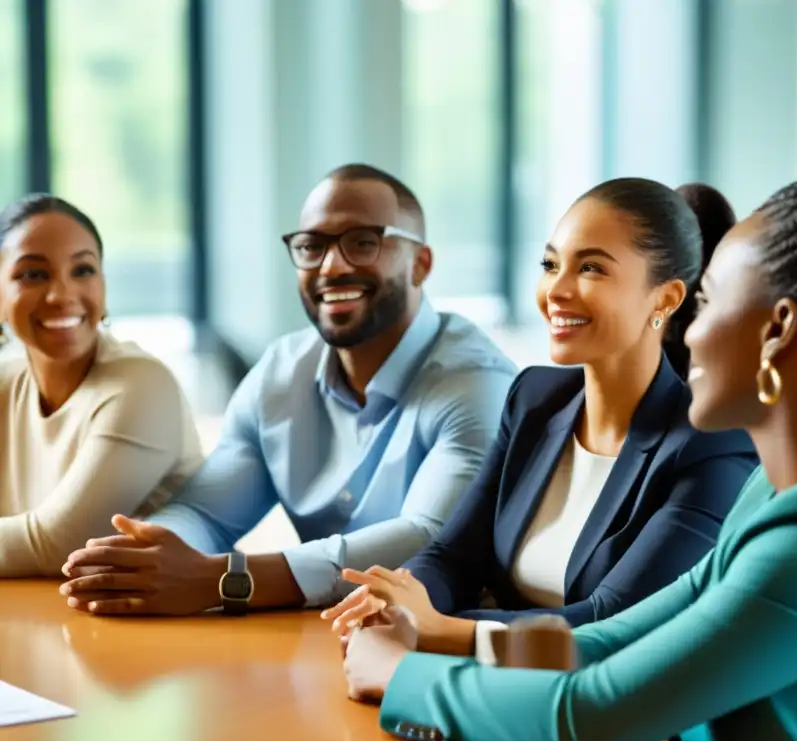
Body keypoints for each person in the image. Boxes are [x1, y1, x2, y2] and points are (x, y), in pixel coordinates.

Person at [339, 114, 797, 741]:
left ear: (778, 330)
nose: (688, 333)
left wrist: (398, 676)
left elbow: (586, 720)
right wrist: (437, 636)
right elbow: (624, 639)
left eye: (706, 301)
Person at [322, 179, 757, 661]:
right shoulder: (534, 398)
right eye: (551, 265)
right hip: (483, 690)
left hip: (604, 716)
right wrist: (402, 602)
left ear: (666, 298)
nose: (557, 290)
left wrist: (436, 627)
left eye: (590, 268)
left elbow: (612, 620)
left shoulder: (711, 443)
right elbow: (453, 557)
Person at [58, 164, 517, 616]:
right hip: (320, 640)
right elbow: (205, 512)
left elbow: (429, 537)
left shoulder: (477, 383)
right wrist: (147, 555)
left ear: (420, 264)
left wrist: (223, 578)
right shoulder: (280, 374)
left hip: (452, 643)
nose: (331, 266)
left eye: (363, 242)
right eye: (312, 246)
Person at [0, 194, 203, 577]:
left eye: (83, 271)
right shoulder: (8, 381)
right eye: (33, 274)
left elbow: (56, 544)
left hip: (177, 628)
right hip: (56, 617)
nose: (61, 294)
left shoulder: (141, 384)